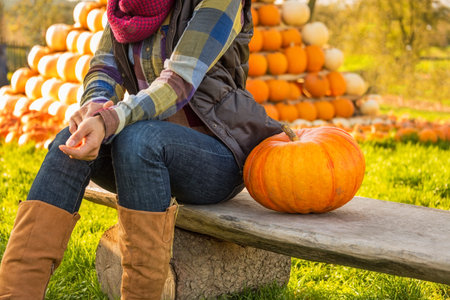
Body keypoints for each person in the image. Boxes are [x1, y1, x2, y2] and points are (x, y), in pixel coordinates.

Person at [0, 0, 281, 298]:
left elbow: (178, 82)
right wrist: (94, 107)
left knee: (139, 139)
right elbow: (104, 69)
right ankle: (15, 293)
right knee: (68, 143)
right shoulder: (125, 7)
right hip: (146, 153)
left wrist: (109, 121)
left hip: (218, 154)